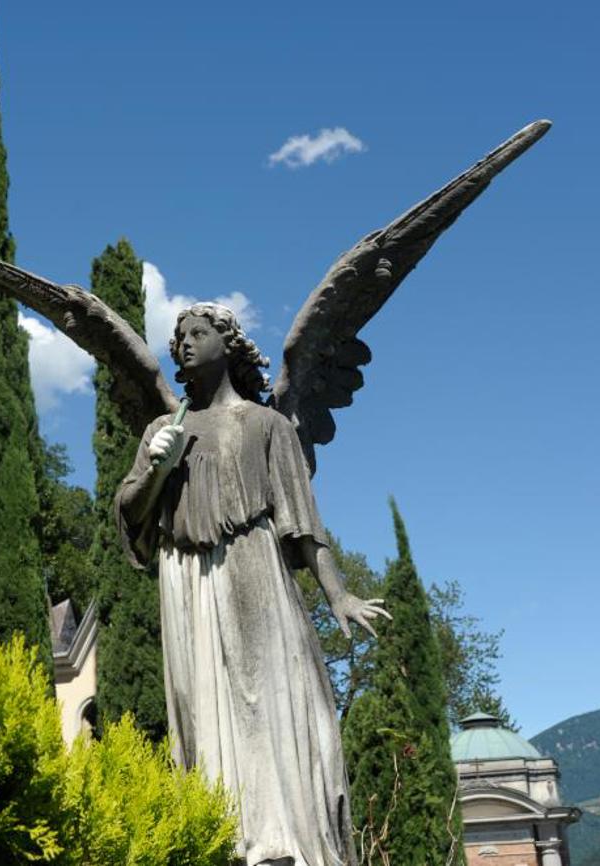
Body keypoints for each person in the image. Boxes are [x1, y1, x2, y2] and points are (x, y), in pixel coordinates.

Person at [116, 302, 388, 866]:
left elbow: (303, 520)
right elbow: (131, 517)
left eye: (199, 332)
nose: (186, 342)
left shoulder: (267, 426)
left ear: (229, 343)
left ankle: (282, 839)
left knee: (275, 697)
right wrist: (158, 471)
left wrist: (338, 594)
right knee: (200, 708)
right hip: (185, 580)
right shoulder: (162, 432)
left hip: (252, 568)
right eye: (180, 336)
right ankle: (224, 838)